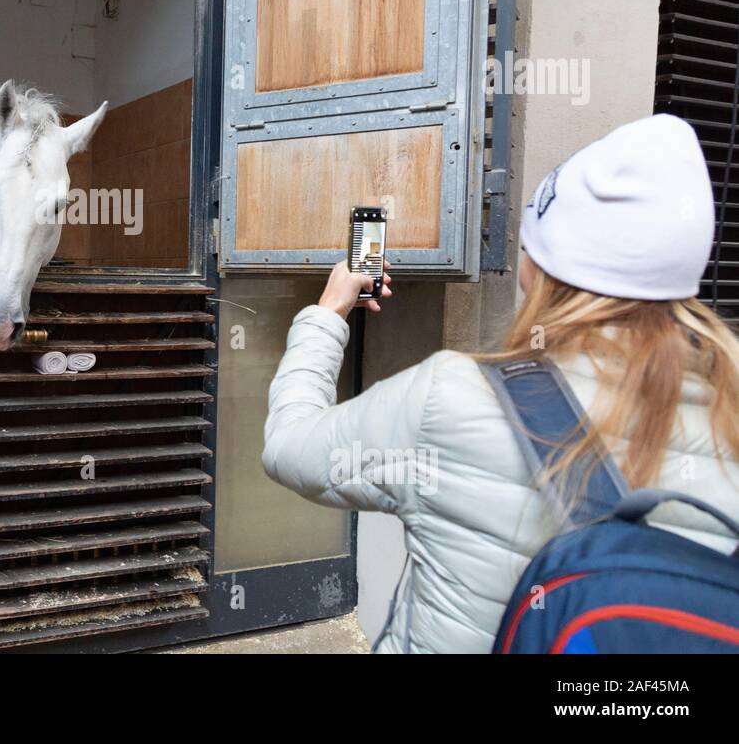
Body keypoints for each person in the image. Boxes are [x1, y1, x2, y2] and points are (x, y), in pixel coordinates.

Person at [262, 114, 739, 653]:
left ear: (538, 271)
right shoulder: (730, 410)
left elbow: (287, 447)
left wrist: (330, 310)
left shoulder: (455, 398)